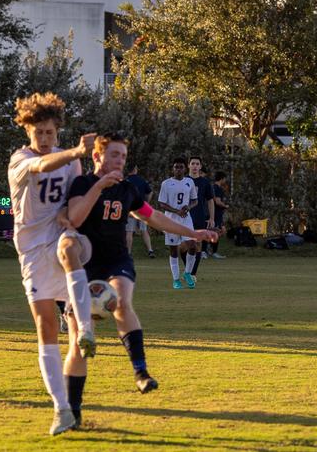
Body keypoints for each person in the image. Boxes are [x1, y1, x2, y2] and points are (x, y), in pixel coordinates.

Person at [63, 133, 219, 427]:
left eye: (123, 156)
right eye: (114, 155)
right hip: (83, 267)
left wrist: (193, 233)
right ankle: (73, 411)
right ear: (97, 157)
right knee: (80, 342)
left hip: (117, 260)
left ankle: (141, 373)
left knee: (121, 299)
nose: (120, 161)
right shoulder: (82, 183)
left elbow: (153, 217)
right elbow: (75, 218)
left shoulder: (128, 189)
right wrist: (99, 186)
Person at [7, 92, 96, 436]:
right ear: (27, 131)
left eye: (49, 132)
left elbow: (75, 199)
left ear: (57, 131)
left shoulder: (72, 162)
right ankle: (62, 410)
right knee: (45, 327)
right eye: (38, 132)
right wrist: (75, 151)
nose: (44, 139)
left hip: (63, 239)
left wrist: (67, 212)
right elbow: (42, 167)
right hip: (32, 251)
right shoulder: (20, 159)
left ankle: (85, 326)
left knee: (76, 334)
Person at [157, 158, 197, 289]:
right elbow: (161, 203)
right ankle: (176, 279)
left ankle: (187, 273)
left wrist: (188, 207)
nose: (178, 169)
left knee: (193, 245)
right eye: (176, 167)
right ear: (172, 169)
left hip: (186, 219)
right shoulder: (166, 184)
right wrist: (176, 211)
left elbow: (195, 200)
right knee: (173, 250)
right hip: (171, 220)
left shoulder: (189, 182)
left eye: (181, 167)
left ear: (185, 169)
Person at [186, 156, 215, 276]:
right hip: (184, 217)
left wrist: (211, 218)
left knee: (197, 245)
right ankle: (188, 269)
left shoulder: (205, 182)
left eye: (197, 164)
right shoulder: (183, 181)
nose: (195, 166)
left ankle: (192, 274)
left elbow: (210, 200)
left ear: (200, 166)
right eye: (193, 163)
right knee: (185, 245)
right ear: (188, 165)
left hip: (199, 217)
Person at [124, 163, 156, 258]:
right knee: (144, 230)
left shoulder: (125, 182)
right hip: (141, 208)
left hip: (130, 210)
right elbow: (150, 192)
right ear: (135, 169)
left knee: (129, 232)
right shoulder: (141, 180)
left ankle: (128, 253)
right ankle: (150, 250)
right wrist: (146, 202)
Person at [210, 171, 230, 259]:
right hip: (216, 213)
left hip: (215, 213)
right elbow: (217, 201)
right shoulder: (217, 188)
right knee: (217, 232)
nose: (225, 180)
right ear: (222, 179)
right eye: (225, 179)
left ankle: (209, 247)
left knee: (221, 231)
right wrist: (225, 206)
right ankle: (213, 251)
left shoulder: (212, 187)